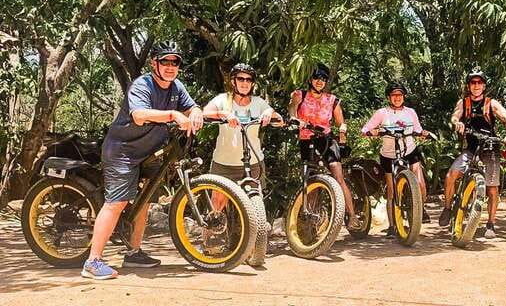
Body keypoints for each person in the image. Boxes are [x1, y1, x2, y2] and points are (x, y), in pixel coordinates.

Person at [81, 41, 203, 280]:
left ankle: (133, 252)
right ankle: (92, 262)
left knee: (145, 199)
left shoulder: (176, 87)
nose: (170, 66)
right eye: (165, 61)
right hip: (122, 151)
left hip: (150, 151)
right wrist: (172, 114)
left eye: (175, 62)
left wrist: (196, 111)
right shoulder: (142, 85)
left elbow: (191, 107)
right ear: (154, 63)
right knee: (117, 202)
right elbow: (139, 116)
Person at [439, 67, 506, 239]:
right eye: (473, 82)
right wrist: (456, 123)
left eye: (479, 82)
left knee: (492, 189)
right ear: (469, 86)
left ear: (483, 85)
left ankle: (491, 224)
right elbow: (455, 116)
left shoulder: (491, 103)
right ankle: (448, 207)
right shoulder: (464, 103)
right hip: (471, 148)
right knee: (451, 174)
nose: (476, 85)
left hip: (490, 148)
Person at [202, 63, 284, 214]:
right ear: (233, 81)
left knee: (254, 209)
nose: (245, 83)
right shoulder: (222, 100)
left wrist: (269, 112)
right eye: (240, 79)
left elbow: (279, 120)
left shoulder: (258, 102)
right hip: (224, 162)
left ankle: (254, 235)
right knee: (216, 210)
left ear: (252, 83)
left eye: (248, 79)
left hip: (253, 163)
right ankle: (208, 237)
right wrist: (224, 114)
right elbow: (205, 113)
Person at [288, 63, 361, 228]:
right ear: (310, 79)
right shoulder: (300, 95)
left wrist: (343, 128)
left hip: (326, 139)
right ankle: (311, 219)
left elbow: (340, 121)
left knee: (337, 174)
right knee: (310, 178)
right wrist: (294, 118)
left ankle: (352, 216)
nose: (319, 81)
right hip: (306, 140)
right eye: (316, 78)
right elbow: (292, 107)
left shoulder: (332, 100)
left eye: (323, 79)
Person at [361, 81, 432, 237]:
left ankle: (420, 208)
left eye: (400, 95)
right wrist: (372, 132)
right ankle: (392, 226)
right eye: (394, 95)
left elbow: (417, 129)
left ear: (404, 97)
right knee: (391, 190)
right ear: (388, 97)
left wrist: (423, 133)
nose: (397, 98)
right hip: (388, 155)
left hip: (409, 151)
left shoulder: (410, 112)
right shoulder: (382, 113)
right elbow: (365, 129)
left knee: (419, 183)